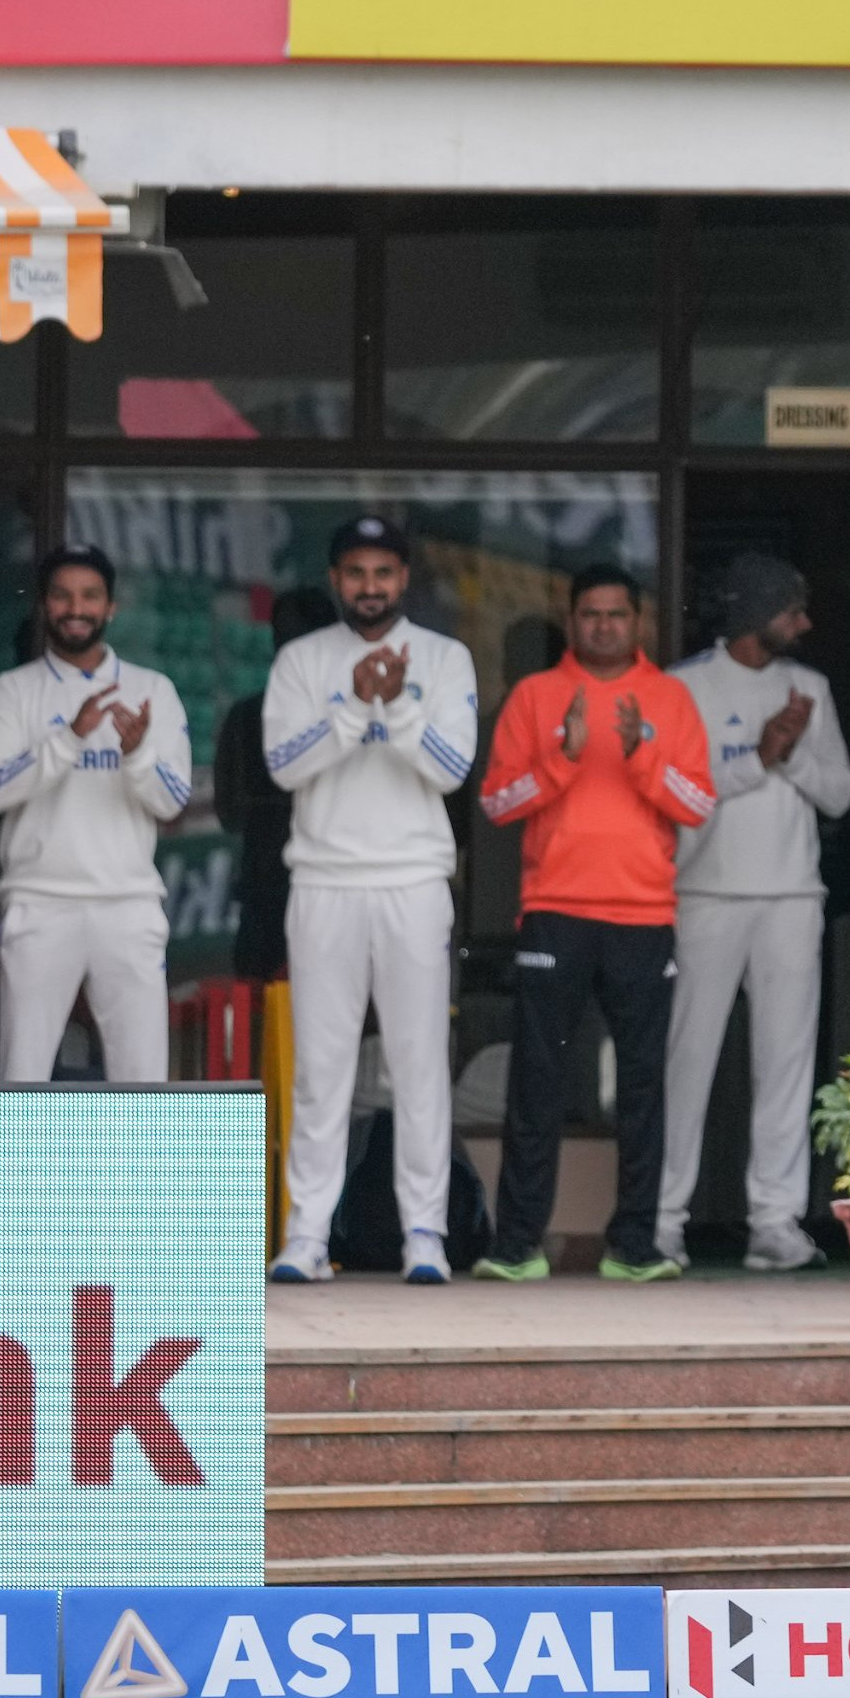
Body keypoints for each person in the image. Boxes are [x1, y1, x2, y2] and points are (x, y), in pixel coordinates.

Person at [474, 563, 714, 1280]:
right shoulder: (535, 696)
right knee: (538, 1081)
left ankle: (633, 1246)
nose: (603, 626)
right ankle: (516, 1245)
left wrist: (640, 752)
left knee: (642, 1084)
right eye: (590, 615)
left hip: (643, 914)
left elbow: (697, 804)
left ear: (637, 622)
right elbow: (497, 803)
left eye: (616, 615)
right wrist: (564, 755)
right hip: (555, 911)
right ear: (571, 619)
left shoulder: (669, 699)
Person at [261, 515, 478, 1284]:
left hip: (415, 881)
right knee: (322, 1070)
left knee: (420, 1064)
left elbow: (451, 768)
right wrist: (354, 705)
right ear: (336, 580)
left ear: (404, 579)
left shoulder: (446, 659)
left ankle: (426, 1233)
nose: (370, 587)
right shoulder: (301, 660)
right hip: (323, 881)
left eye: (383, 573)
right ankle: (307, 1237)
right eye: (356, 573)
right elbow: (284, 767)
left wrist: (397, 705)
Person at [660, 552, 850, 1271]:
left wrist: (793, 754)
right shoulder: (681, 688)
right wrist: (758, 756)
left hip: (792, 897)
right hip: (704, 895)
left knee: (785, 1066)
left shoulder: (809, 686)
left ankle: (774, 1222)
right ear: (753, 614)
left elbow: (838, 792)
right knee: (687, 1063)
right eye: (790, 610)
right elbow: (675, 793)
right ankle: (664, 1221)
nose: (804, 623)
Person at [0, 543, 191, 1082]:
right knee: (23, 1077)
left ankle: (141, 1172)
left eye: (90, 596)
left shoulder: (151, 690)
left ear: (111, 606)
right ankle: (15, 1172)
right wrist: (70, 737)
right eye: (63, 596)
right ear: (44, 605)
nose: (77, 608)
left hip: (128, 902)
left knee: (142, 1083)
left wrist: (136, 751)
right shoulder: (13, 691)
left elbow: (173, 799)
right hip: (40, 902)